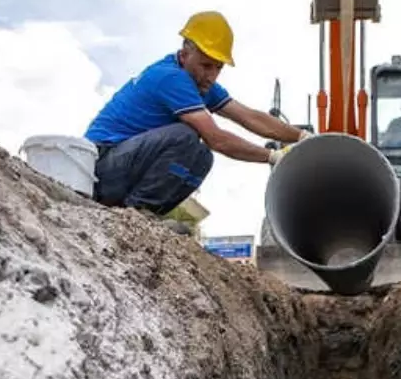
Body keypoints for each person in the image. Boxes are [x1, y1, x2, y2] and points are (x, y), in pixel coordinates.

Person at [83, 11, 310, 224]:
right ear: (184, 55)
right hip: (101, 167)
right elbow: (217, 139)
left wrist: (302, 137)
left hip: (125, 164)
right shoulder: (171, 78)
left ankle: (145, 214)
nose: (211, 75)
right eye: (205, 65)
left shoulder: (200, 83)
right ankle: (138, 212)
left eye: (217, 68)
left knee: (202, 157)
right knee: (187, 135)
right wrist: (273, 157)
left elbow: (249, 117)